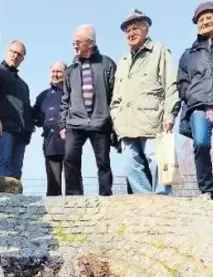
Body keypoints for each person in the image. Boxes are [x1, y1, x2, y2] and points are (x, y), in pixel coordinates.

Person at [110, 10, 179, 196]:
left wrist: (169, 115)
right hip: (127, 124)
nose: (131, 33)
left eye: (135, 28)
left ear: (146, 30)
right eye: (127, 31)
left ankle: (162, 198)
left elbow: (171, 86)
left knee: (156, 161)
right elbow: (116, 98)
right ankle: (145, 200)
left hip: (153, 120)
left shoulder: (160, 51)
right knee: (129, 165)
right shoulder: (123, 61)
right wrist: (116, 118)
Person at [59, 25, 117, 196]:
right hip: (75, 123)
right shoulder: (70, 70)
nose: (74, 46)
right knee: (70, 158)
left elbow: (115, 94)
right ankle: (74, 197)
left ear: (90, 43)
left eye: (78, 42)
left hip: (101, 122)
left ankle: (106, 196)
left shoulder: (107, 64)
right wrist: (63, 124)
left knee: (103, 162)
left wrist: (114, 123)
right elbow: (65, 99)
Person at [177, 2, 213, 199]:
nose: (205, 22)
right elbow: (181, 81)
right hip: (199, 104)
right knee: (201, 144)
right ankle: (207, 189)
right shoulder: (188, 54)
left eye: (209, 17)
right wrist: (189, 94)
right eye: (201, 20)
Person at [0, 41, 34, 180]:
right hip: (5, 128)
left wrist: (28, 132)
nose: (15, 56)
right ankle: (3, 199)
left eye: (19, 54)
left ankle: (15, 201)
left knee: (17, 170)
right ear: (7, 52)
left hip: (21, 133)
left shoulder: (23, 85)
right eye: (13, 52)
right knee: (4, 165)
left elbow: (27, 108)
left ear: (22, 59)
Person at [34, 61, 68, 195]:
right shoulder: (43, 96)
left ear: (65, 74)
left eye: (59, 72)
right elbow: (35, 116)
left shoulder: (71, 94)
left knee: (73, 180)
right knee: (53, 183)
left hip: (70, 141)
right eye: (53, 71)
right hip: (50, 142)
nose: (55, 74)